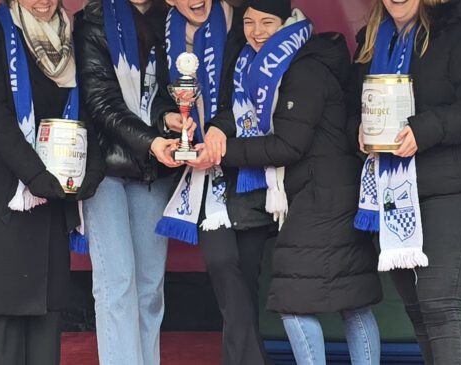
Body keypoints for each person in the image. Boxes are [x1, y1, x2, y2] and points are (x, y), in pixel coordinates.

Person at [200, 1, 383, 364]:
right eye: (249, 22)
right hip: (318, 192)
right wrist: (220, 127)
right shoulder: (259, 67)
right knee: (351, 301)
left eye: (267, 22)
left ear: (286, 24)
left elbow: (288, 145)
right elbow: (244, 112)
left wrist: (222, 152)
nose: (256, 31)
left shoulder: (304, 67)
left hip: (323, 194)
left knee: (296, 304)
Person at [0, 1, 104, 364]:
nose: (43, 1)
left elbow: (87, 110)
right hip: (4, 195)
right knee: (2, 323)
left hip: (53, 196)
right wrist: (33, 174)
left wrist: (90, 167)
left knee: (45, 322)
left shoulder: (74, 39)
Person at [352, 0, 461, 363]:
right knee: (419, 310)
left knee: (440, 305)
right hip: (392, 190)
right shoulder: (370, 44)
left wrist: (424, 129)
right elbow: (349, 109)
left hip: (452, 187)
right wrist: (359, 131)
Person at [152, 0, 272, 364]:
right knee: (222, 264)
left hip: (246, 164)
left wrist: (221, 125)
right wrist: (168, 118)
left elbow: (256, 92)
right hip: (201, 172)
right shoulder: (161, 31)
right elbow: (155, 95)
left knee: (246, 278)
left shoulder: (242, 22)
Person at [73, 0, 182, 364]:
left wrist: (170, 120)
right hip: (107, 167)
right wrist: (151, 141)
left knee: (150, 289)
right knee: (117, 284)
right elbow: (100, 102)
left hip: (155, 169)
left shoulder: (172, 22)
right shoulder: (91, 21)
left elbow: (169, 94)